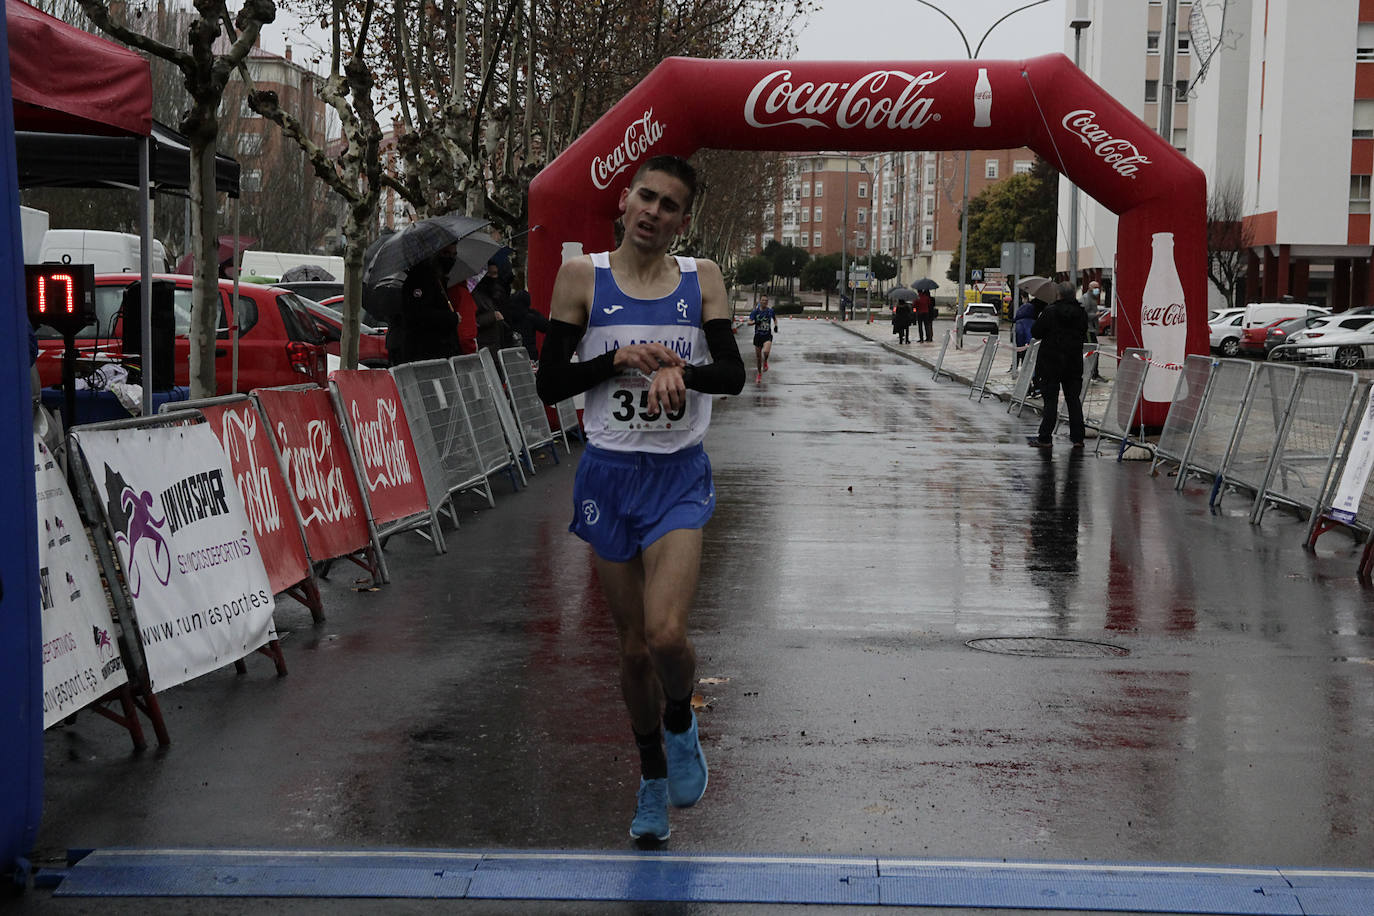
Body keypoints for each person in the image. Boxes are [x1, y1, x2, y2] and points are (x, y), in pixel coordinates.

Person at [535, 155, 745, 844]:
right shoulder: (581, 278)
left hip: (677, 475)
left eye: (671, 206)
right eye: (646, 198)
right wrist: (617, 361)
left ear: (684, 221)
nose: (654, 213)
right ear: (624, 201)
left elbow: (733, 375)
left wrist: (682, 372)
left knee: (665, 634)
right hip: (609, 476)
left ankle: (681, 719)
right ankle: (652, 779)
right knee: (630, 651)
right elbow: (549, 384)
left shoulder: (701, 278)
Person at [1029, 280, 1089, 449]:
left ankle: (1045, 438)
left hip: (1051, 363)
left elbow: (1036, 332)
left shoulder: (1050, 311)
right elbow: (1084, 331)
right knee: (1073, 401)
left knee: (1050, 401)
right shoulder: (1081, 312)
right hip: (1073, 362)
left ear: (1059, 294)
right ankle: (1078, 438)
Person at [387, 243, 461, 364]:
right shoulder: (420, 278)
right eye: (446, 253)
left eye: (454, 255)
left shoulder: (439, 279)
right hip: (425, 353)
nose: (451, 259)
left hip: (438, 351)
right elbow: (418, 314)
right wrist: (451, 318)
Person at [505, 269, 550, 361]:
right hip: (529, 353)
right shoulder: (530, 317)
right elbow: (547, 327)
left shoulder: (507, 313)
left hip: (511, 353)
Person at [473, 259, 511, 356]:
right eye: (490, 274)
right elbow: (474, 321)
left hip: (498, 344)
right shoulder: (476, 295)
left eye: (495, 273)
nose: (493, 277)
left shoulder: (496, 292)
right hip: (486, 347)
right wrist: (492, 316)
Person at [748, 294, 778, 380]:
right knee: (758, 358)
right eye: (763, 300)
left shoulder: (770, 311)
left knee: (766, 352)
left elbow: (775, 319)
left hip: (767, 335)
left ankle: (765, 361)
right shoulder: (755, 312)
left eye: (766, 300)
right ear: (760, 301)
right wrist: (754, 323)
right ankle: (759, 373)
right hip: (758, 336)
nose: (765, 302)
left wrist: (776, 326)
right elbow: (748, 322)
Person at [1084, 280, 1106, 380]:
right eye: (1095, 288)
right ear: (1090, 288)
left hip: (1092, 329)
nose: (1098, 290)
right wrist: (1095, 315)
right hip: (1088, 330)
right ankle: (1093, 373)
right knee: (1092, 350)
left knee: (1094, 350)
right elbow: (1083, 315)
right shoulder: (1086, 299)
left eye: (1098, 288)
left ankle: (1094, 373)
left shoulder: (1092, 299)